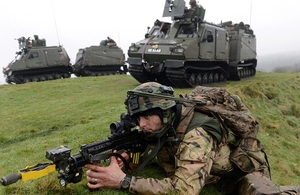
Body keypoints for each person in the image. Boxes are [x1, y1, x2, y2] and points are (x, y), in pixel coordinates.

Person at [85, 82, 300, 194]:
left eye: (147, 116)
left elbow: (184, 190)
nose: (141, 125)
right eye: (138, 118)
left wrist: (123, 181)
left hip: (240, 172)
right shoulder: (163, 123)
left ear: (166, 111)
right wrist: (123, 157)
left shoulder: (198, 135)